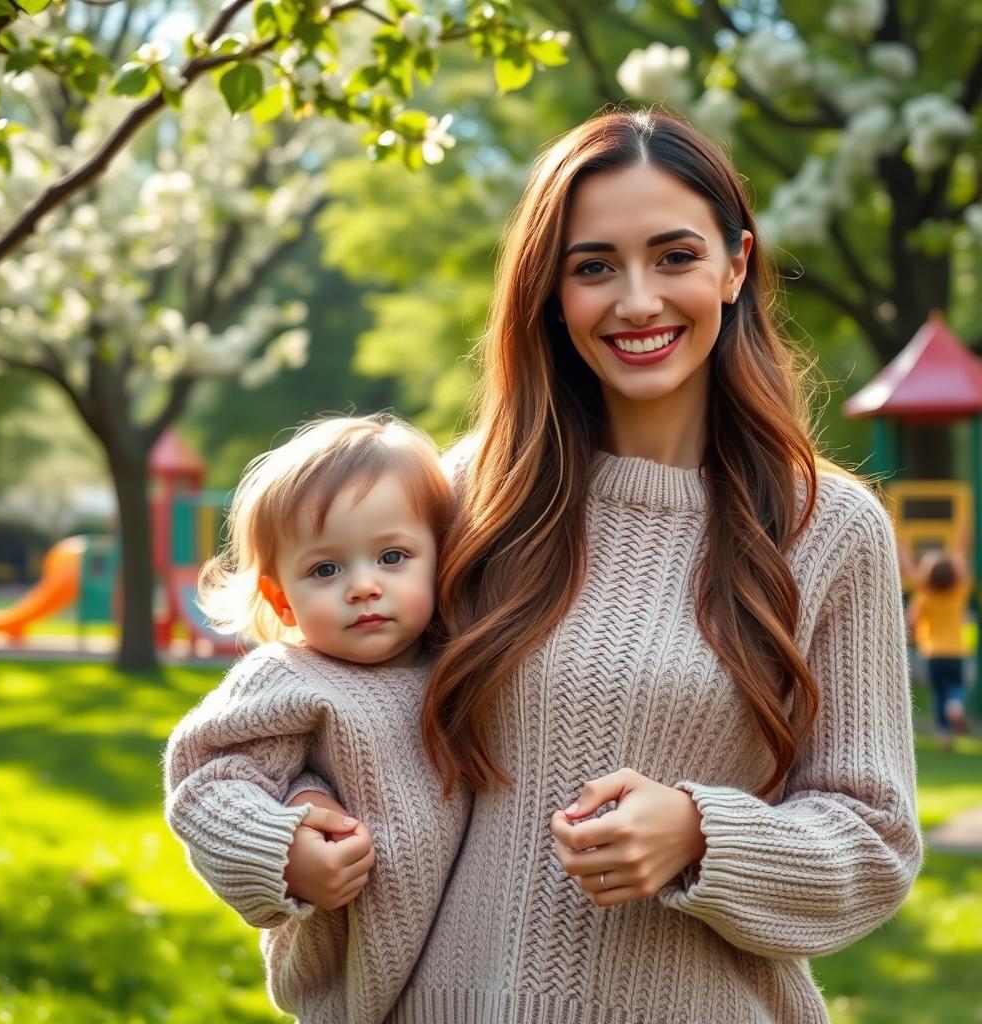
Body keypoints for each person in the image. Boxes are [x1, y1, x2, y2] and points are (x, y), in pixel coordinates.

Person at [289, 109, 923, 1023]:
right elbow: (318, 718)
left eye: (674, 257)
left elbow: (875, 843)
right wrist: (296, 837)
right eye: (594, 267)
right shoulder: (461, 498)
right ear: (551, 290)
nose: (636, 302)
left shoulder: (829, 528)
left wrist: (702, 836)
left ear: (736, 265)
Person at [163, 415, 469, 1023]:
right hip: (351, 992)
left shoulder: (457, 666)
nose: (362, 586)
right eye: (326, 569)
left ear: (441, 559)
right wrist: (282, 852)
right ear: (282, 599)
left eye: (391, 556)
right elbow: (208, 786)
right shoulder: (291, 679)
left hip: (469, 975)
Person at [902, 533, 972, 750]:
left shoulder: (924, 595)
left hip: (931, 652)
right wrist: (963, 539)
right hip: (956, 651)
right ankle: (956, 706)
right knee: (956, 686)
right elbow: (961, 561)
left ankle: (944, 736)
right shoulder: (959, 591)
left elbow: (911, 621)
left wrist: (902, 547)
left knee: (938, 693)